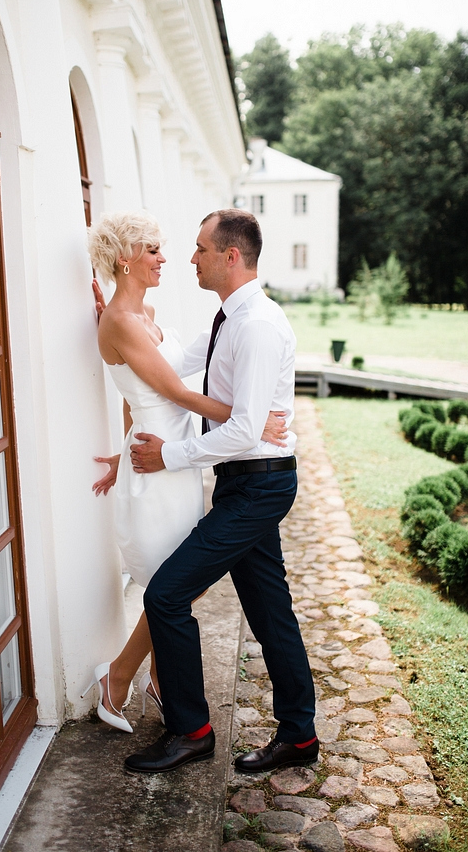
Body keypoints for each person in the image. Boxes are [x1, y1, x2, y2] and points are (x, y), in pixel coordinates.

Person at [124, 208, 317, 775]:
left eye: (201, 249)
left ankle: (192, 730)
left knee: (164, 596)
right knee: (270, 611)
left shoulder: (256, 324)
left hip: (259, 486)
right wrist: (119, 311)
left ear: (231, 256)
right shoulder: (226, 319)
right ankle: (300, 736)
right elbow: (171, 369)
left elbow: (242, 429)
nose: (191, 259)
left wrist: (169, 456)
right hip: (243, 484)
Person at [83, 210, 287, 734]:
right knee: (167, 584)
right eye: (152, 249)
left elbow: (150, 384)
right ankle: (124, 679)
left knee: (179, 585)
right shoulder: (123, 322)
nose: (168, 257)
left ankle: (158, 677)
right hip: (159, 466)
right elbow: (171, 392)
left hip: (177, 461)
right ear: (125, 260)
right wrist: (251, 417)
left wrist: (125, 440)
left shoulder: (146, 315)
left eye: (181, 247)